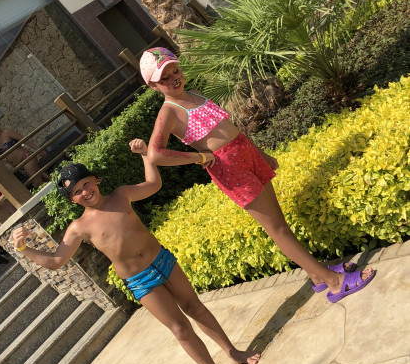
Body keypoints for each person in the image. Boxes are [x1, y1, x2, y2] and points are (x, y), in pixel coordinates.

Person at [12, 139, 260, 364]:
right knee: (180, 329)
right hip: (141, 281)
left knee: (195, 308)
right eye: (77, 192)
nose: (85, 192)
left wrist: (144, 154)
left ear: (95, 180)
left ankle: (233, 351)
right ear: (72, 200)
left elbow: (153, 184)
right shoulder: (78, 227)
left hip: (162, 260)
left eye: (86, 184)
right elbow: (56, 261)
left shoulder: (120, 196)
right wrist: (24, 248)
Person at [140, 47, 375, 303]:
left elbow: (230, 129)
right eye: (164, 77)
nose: (174, 78)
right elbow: (155, 154)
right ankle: (334, 282)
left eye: (175, 70)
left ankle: (317, 276)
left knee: (280, 223)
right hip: (230, 168)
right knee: (277, 229)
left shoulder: (194, 94)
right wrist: (199, 158)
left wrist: (260, 154)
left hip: (246, 152)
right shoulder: (168, 112)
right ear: (153, 85)